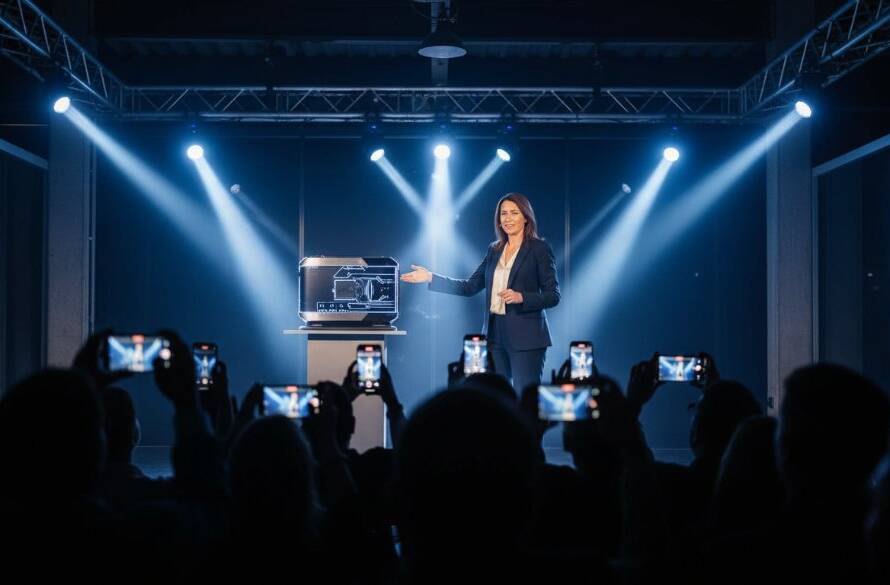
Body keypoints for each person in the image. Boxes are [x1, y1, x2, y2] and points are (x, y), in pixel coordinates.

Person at [401, 192, 560, 393]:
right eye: (503, 214)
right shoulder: (494, 249)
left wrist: (522, 297)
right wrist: (431, 277)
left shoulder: (539, 248)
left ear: (526, 218)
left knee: (524, 397)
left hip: (527, 336)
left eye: (514, 213)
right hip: (494, 335)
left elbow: (553, 295)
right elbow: (470, 287)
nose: (508, 219)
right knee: (497, 397)